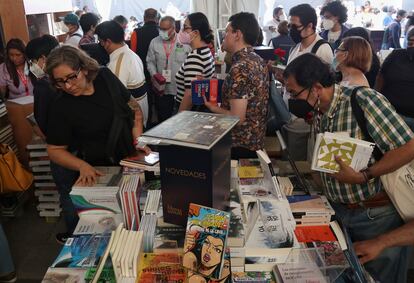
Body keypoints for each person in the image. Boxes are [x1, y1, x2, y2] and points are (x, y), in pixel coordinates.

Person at [284, 53, 414, 283]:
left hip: (375, 216)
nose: (291, 98)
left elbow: (409, 147)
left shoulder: (363, 100)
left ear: (315, 88)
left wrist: (365, 175)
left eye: (295, 93)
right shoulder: (320, 113)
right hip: (341, 212)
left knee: (380, 275)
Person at [45, 45, 144, 242]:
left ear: (84, 69)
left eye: (72, 77)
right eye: (60, 82)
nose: (68, 86)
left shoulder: (105, 77)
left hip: (131, 163)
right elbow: (54, 150)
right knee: (108, 230)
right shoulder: (61, 106)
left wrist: (138, 141)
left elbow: (134, 110)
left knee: (136, 223)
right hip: (99, 173)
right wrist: (82, 166)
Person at [204, 12, 269, 159]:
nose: (224, 36)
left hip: (240, 146)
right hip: (255, 141)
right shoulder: (257, 60)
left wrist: (214, 108)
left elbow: (237, 118)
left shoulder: (240, 68)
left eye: (227, 31)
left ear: (237, 34)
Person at [95, 20, 148, 128]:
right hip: (141, 118)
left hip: (132, 123)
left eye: (100, 41)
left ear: (108, 42)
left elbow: (117, 99)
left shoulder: (118, 63)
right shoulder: (132, 55)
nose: (100, 45)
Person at [146, 16, 191, 122]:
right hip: (162, 89)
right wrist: (154, 74)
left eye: (165, 29)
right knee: (163, 119)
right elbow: (150, 61)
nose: (162, 32)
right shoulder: (154, 42)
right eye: (160, 28)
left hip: (180, 90)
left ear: (173, 28)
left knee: (179, 121)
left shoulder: (184, 42)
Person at [375, 28, 414, 131]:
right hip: (390, 114)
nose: (412, 46)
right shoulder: (396, 55)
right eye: (410, 43)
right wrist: (377, 100)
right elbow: (380, 76)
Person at [176, 12, 215, 112]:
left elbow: (189, 95)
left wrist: (178, 120)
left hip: (188, 111)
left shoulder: (195, 57)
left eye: (185, 27)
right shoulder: (206, 50)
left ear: (196, 32)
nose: (181, 31)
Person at [130, 8, 160, 125]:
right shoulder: (160, 32)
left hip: (142, 72)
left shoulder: (136, 33)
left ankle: (147, 123)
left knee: (146, 100)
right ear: (157, 19)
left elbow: (133, 53)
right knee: (159, 100)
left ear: (144, 18)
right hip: (159, 72)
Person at [25, 35, 59, 135]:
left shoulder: (42, 86)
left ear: (43, 58)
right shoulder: (65, 77)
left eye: (32, 61)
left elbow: (42, 121)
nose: (31, 65)